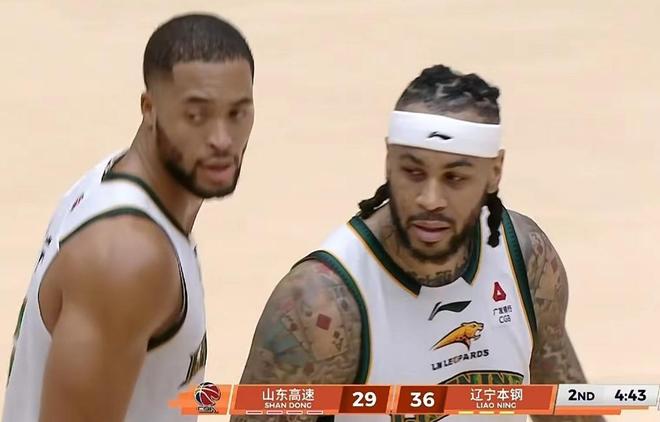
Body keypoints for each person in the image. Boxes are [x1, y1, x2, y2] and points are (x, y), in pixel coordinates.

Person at [234, 65, 603, 422]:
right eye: (413, 172)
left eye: (455, 178)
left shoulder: (527, 257)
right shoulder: (319, 306)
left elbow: (566, 408)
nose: (430, 199)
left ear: (494, 172)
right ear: (388, 162)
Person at [3, 13, 255, 422]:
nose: (222, 140)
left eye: (237, 113)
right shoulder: (128, 259)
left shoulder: (115, 180)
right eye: (197, 115)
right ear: (149, 109)